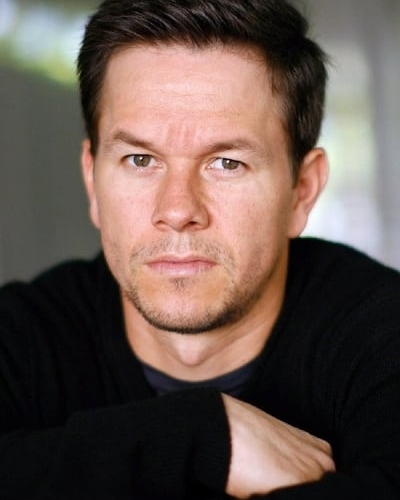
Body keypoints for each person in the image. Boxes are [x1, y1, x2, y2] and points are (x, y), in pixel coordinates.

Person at [0, 0, 399, 498]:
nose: (177, 209)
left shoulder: (382, 335)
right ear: (92, 180)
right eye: (140, 159)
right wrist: (195, 436)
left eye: (227, 163)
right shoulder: (21, 335)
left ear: (302, 191)